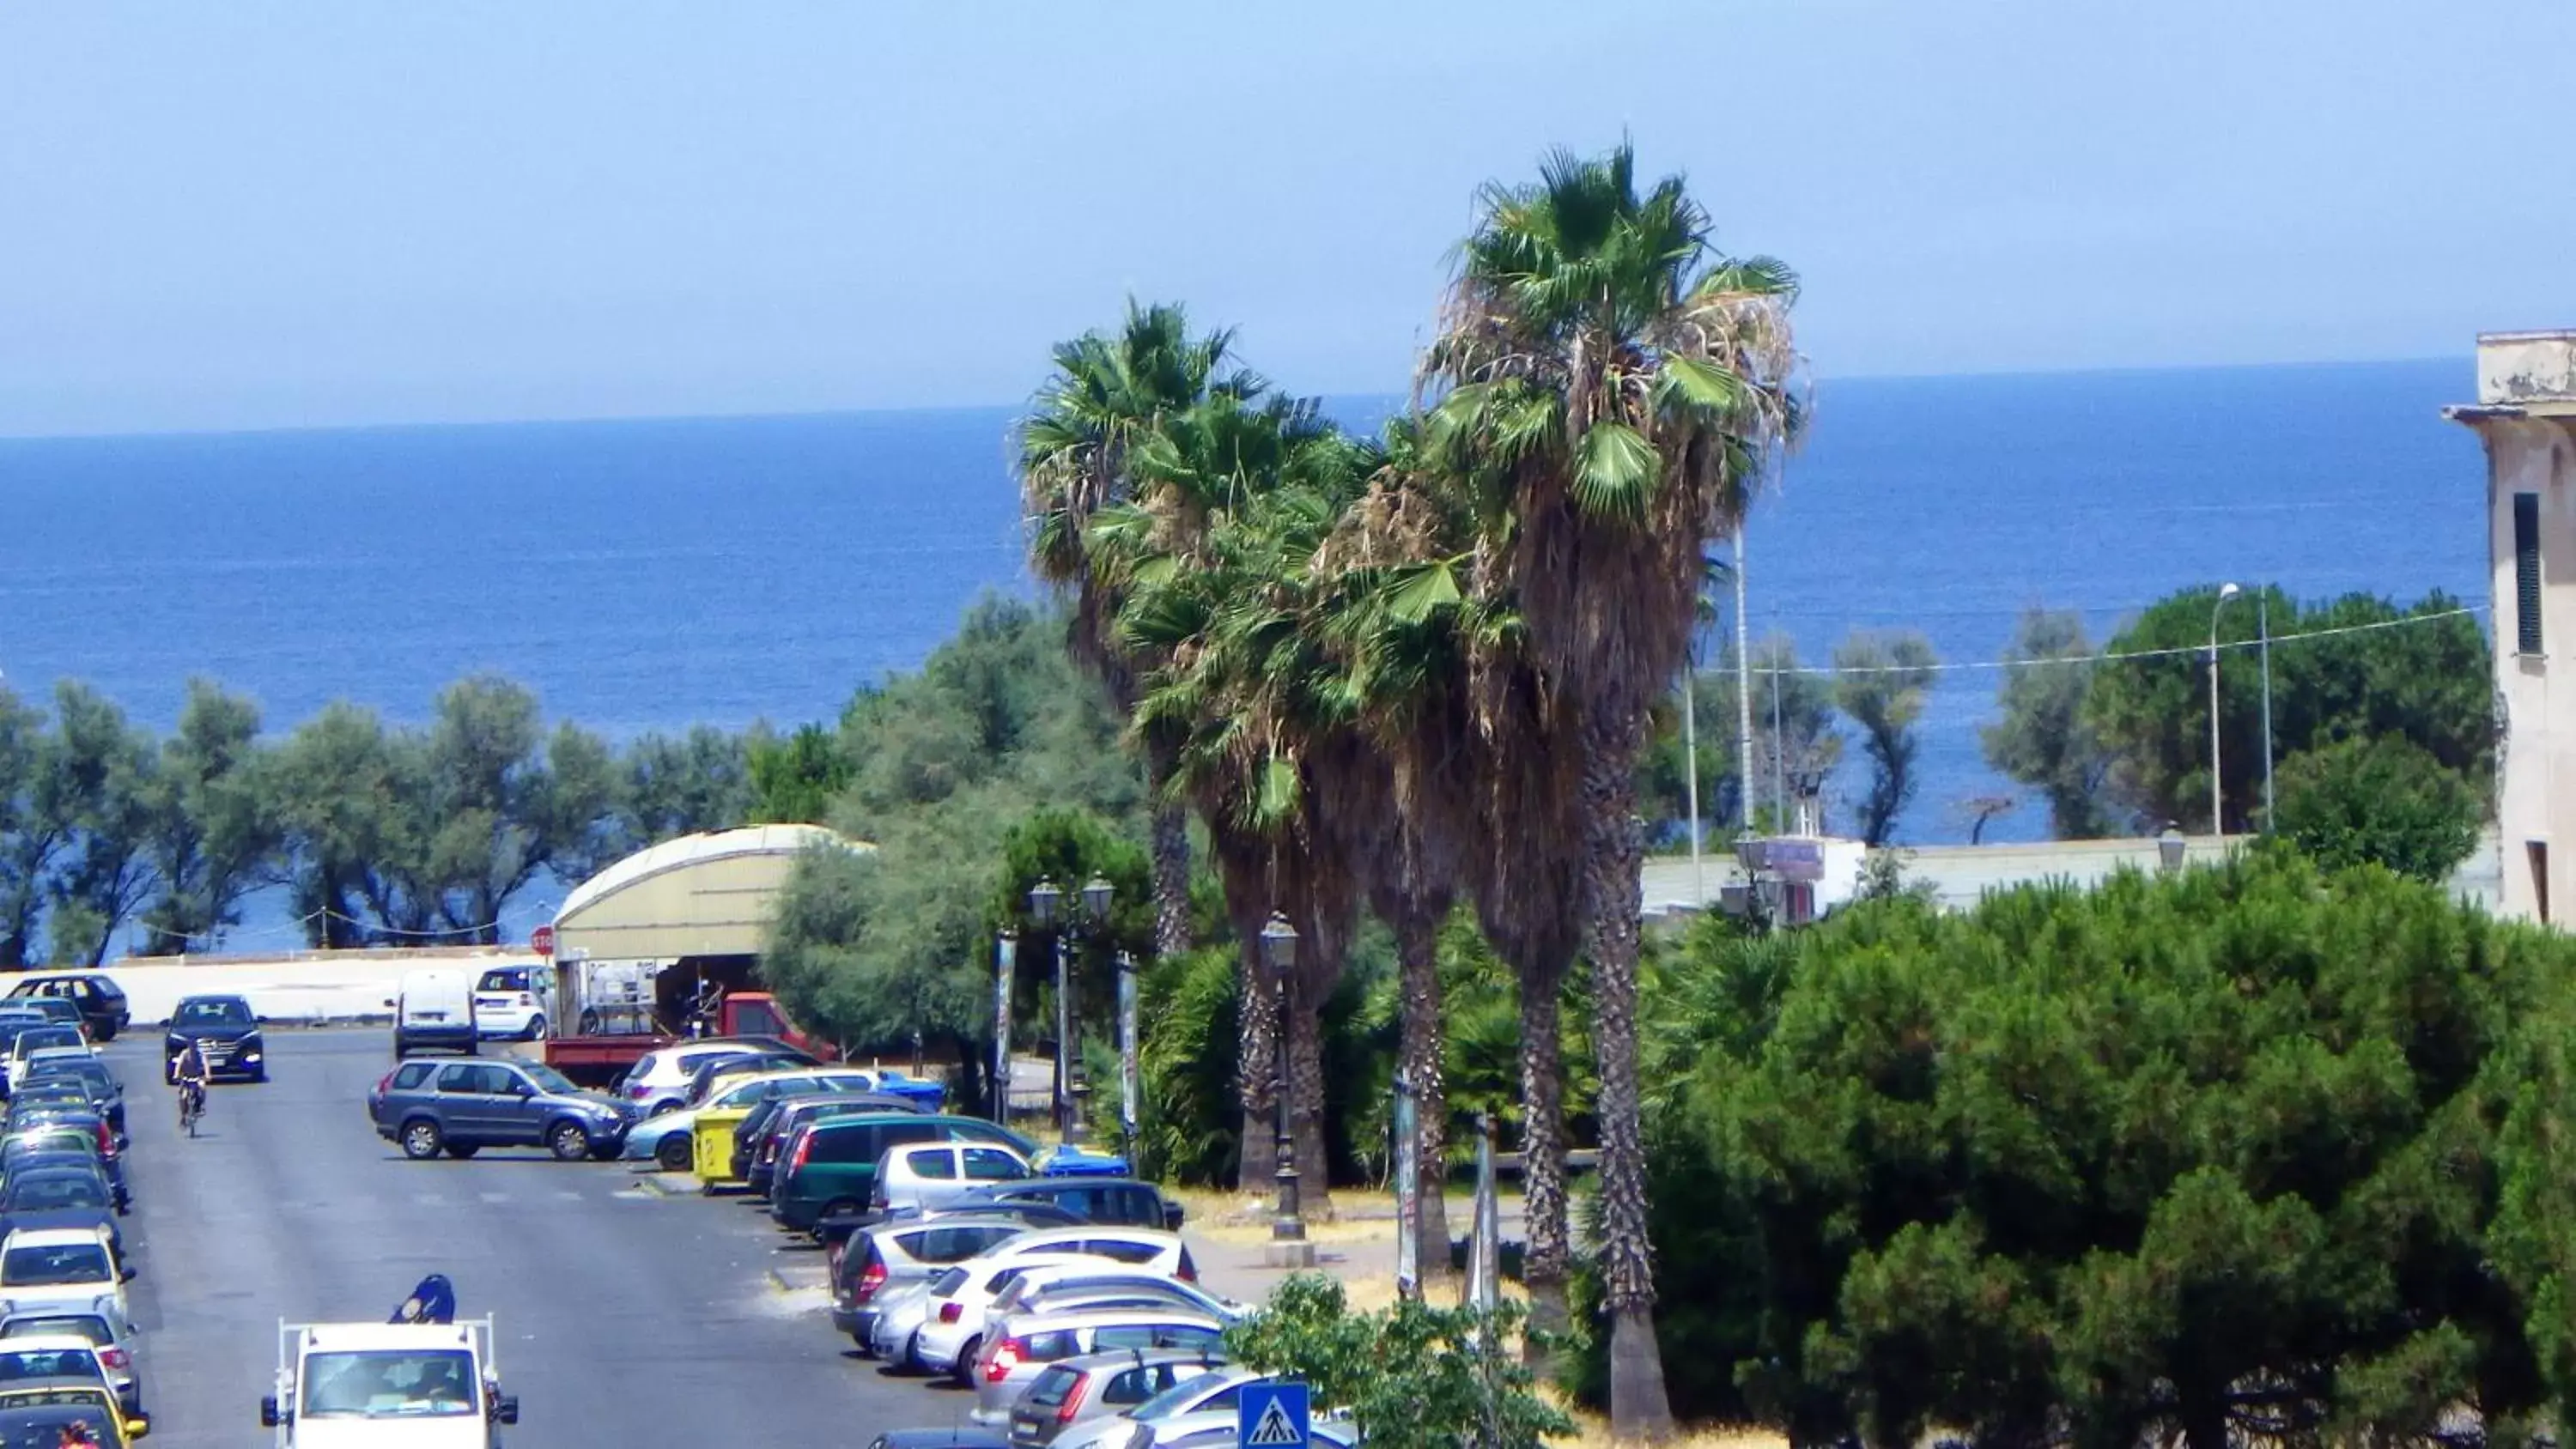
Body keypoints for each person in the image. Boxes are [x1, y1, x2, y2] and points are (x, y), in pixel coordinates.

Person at [171, 1039, 209, 1123]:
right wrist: (176, 1074)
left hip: (197, 1077)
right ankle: (183, 1115)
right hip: (186, 1078)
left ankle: (200, 1105)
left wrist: (207, 1074)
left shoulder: (200, 1054)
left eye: (194, 1047)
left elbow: (206, 1064)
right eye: (191, 1047)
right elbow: (179, 1064)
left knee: (202, 1086)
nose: (193, 1049)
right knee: (184, 1096)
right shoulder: (184, 1054)